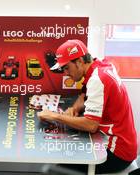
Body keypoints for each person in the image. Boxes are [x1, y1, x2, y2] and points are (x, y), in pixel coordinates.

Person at [37, 39, 137, 174]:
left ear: (79, 62)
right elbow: (84, 95)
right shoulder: (100, 65)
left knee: (55, 170)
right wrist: (75, 108)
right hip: (125, 145)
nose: (65, 73)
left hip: (117, 154)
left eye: (67, 68)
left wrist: (54, 116)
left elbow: (91, 125)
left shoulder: (97, 79)